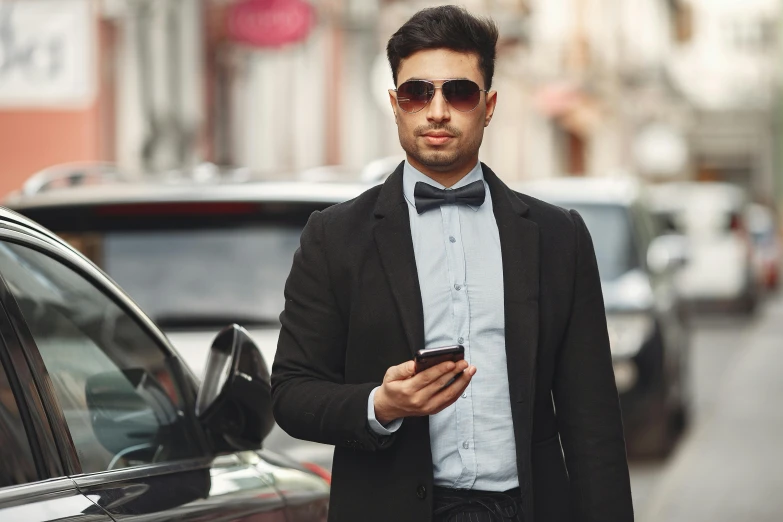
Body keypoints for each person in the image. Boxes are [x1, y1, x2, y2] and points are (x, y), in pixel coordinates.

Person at [271, 5, 634, 522]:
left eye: (458, 92)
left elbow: (593, 420)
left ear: (487, 106)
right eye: (418, 92)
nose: (437, 111)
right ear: (396, 103)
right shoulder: (333, 237)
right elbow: (291, 393)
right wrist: (381, 404)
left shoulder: (558, 238)